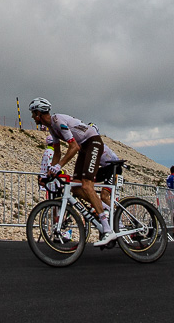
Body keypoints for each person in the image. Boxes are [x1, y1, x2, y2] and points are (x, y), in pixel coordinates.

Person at [29, 98, 116, 245]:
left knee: (87, 185)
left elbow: (73, 147)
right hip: (84, 147)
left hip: (92, 142)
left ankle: (108, 230)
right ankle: (102, 207)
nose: (32, 117)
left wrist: (59, 166)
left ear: (39, 113)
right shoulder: (52, 127)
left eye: (33, 113)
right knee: (76, 187)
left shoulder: (57, 120)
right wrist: (49, 172)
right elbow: (57, 153)